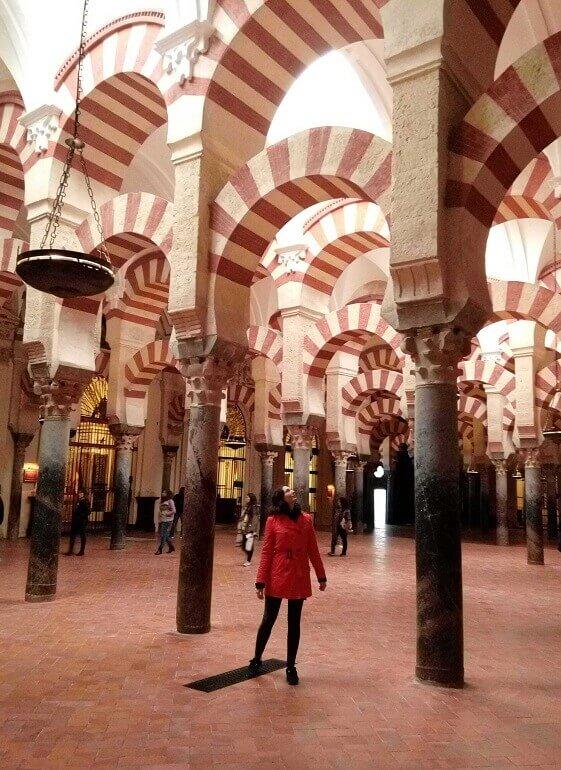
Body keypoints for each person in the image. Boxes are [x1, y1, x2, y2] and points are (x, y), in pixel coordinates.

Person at [249, 486, 326, 685]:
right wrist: (260, 580)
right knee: (268, 619)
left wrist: (321, 576)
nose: (292, 491)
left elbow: (313, 550)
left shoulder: (306, 519)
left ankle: (291, 666)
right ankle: (257, 659)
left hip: (299, 574)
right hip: (277, 573)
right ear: (282, 498)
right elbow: (266, 552)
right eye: (287, 490)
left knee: (294, 623)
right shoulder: (273, 521)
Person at [65, 490, 91, 556]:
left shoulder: (85, 501)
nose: (79, 494)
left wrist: (81, 516)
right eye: (79, 493)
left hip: (82, 521)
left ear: (84, 494)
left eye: (81, 493)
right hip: (76, 520)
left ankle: (82, 551)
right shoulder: (78, 501)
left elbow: (88, 512)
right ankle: (70, 550)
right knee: (73, 535)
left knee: (82, 535)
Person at [238, 493, 260, 566]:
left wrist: (252, 530)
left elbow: (255, 519)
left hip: (249, 529)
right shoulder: (247, 506)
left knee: (249, 545)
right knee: (244, 545)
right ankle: (248, 558)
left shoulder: (254, 508)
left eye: (247, 497)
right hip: (245, 528)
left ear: (251, 498)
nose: (246, 499)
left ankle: (248, 560)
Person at [155, 490, 176, 555]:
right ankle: (171, 547)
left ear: (167, 494)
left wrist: (167, 514)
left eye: (164, 492)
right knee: (166, 535)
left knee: (163, 535)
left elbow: (174, 510)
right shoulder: (163, 501)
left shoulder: (170, 501)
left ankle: (160, 549)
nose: (162, 493)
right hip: (162, 520)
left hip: (168, 520)